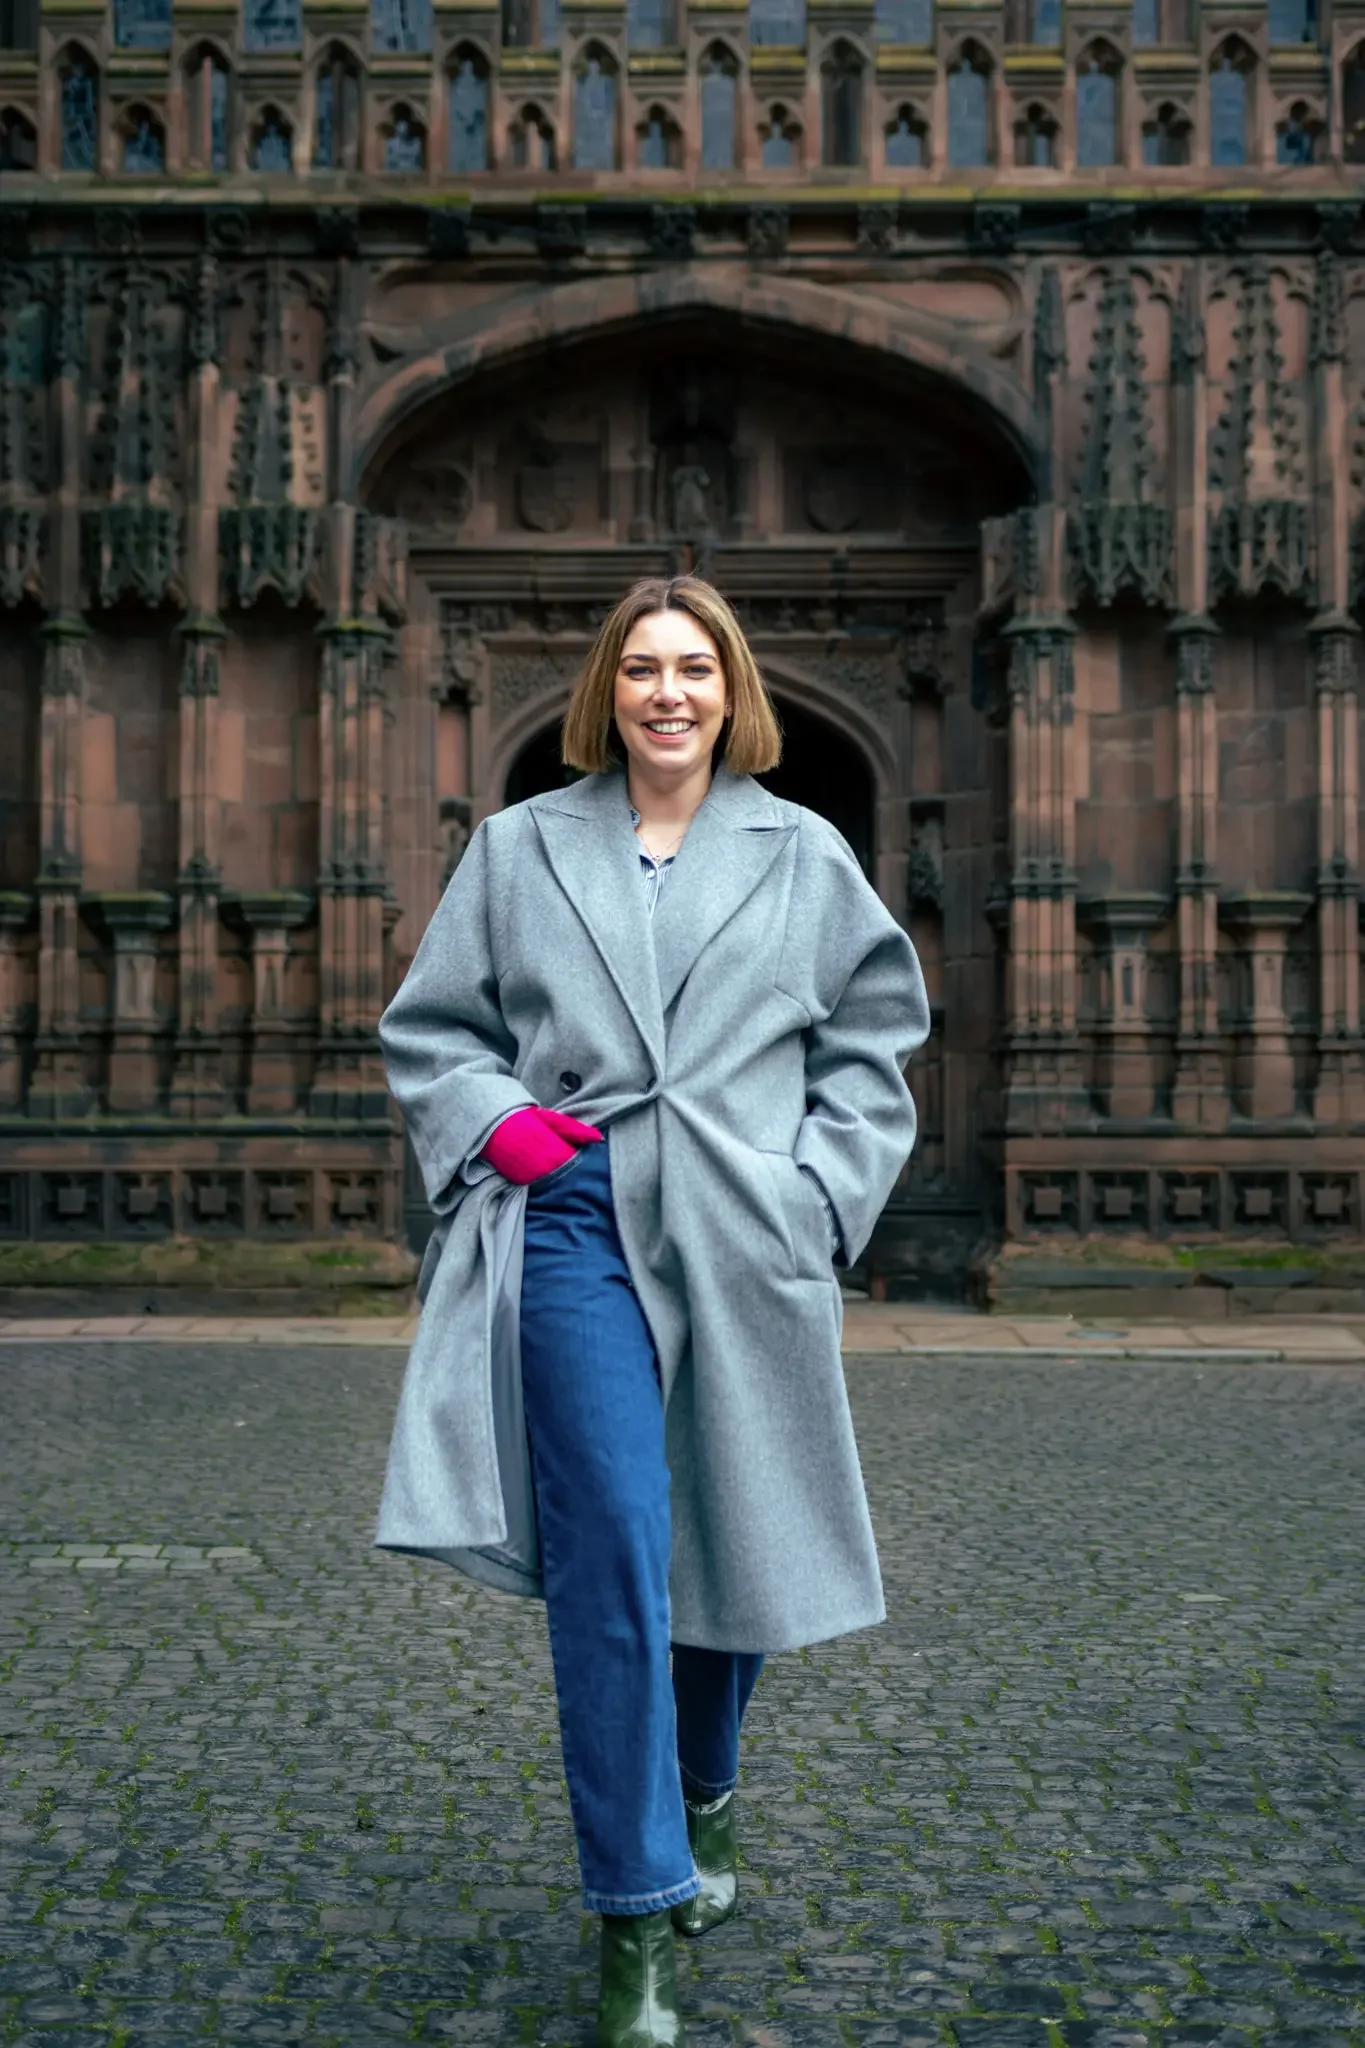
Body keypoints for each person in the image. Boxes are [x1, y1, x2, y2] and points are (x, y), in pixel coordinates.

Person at [375, 576, 929, 2046]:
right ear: (606, 692)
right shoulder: (519, 847)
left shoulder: (804, 854)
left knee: (725, 1524)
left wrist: (818, 1198)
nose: (667, 692)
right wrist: (503, 1126)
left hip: (747, 1231)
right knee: (615, 1538)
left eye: (693, 667)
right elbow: (436, 1027)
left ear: (730, 688)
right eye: (641, 668)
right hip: (576, 1224)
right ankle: (634, 1916)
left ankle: (706, 1787)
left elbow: (875, 1043)